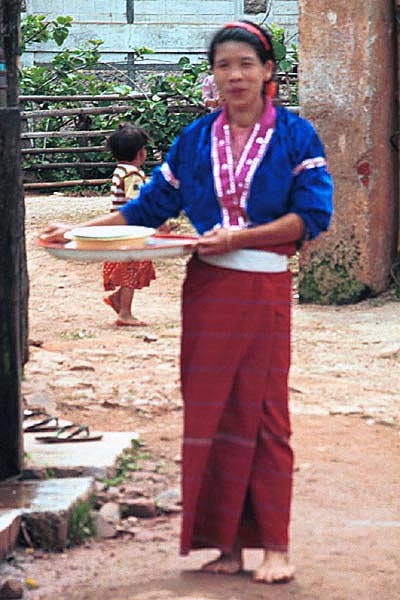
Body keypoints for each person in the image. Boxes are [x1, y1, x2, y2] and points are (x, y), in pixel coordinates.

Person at [41, 20, 333, 584]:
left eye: (246, 64)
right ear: (214, 75)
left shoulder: (297, 138)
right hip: (206, 292)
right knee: (211, 411)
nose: (236, 75)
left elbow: (311, 218)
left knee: (266, 412)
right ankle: (222, 544)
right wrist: (74, 230)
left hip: (263, 289)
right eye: (224, 65)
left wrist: (239, 237)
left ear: (268, 70)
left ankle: (274, 544)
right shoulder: (196, 140)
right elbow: (145, 210)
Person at [103, 123, 155, 326]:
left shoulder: (120, 171)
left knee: (129, 268)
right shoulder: (133, 175)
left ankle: (118, 299)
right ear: (140, 153)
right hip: (129, 230)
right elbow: (137, 203)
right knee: (131, 270)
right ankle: (125, 313)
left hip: (121, 228)